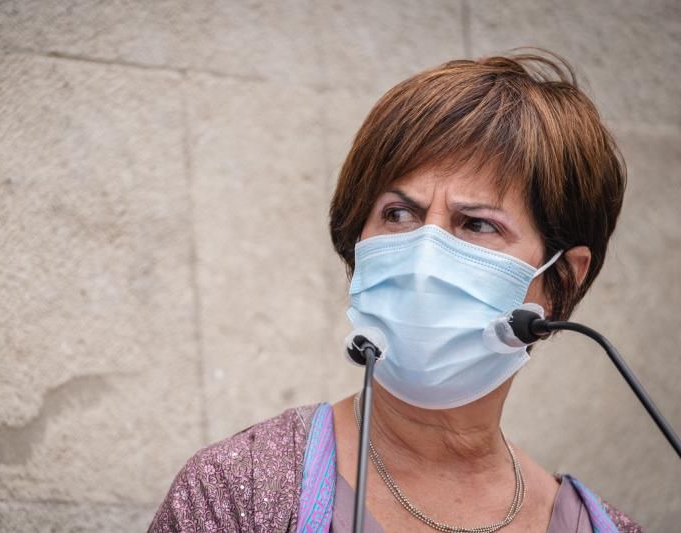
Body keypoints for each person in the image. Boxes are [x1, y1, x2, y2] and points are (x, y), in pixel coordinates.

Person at [148, 52, 643, 532]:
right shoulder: (241, 488)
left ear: (561, 281)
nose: (425, 257)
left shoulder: (602, 526)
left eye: (476, 224)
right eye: (398, 214)